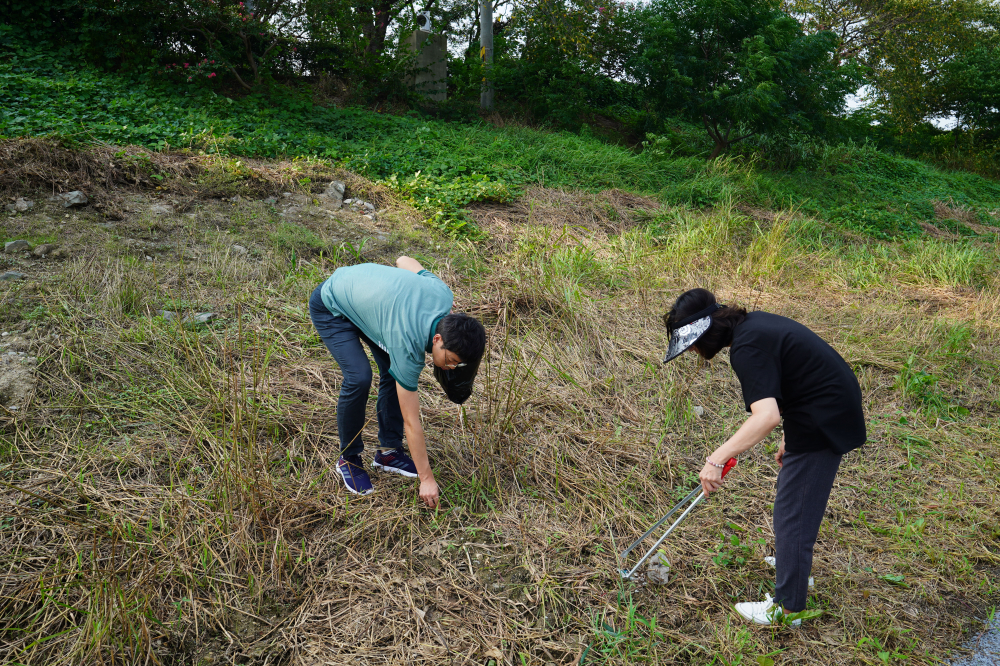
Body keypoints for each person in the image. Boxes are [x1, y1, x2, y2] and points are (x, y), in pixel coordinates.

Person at [662, 288, 866, 626]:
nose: (694, 352)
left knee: (792, 514)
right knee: (795, 506)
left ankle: (788, 609)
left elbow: (765, 416)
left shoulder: (746, 347)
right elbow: (793, 378)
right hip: (823, 406)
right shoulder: (753, 327)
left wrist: (716, 459)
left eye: (693, 345)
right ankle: (794, 570)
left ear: (706, 332)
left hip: (824, 413)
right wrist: (791, 431)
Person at [309, 256, 486, 508]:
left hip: (365, 303)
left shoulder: (442, 294)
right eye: (451, 359)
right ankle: (348, 459)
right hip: (332, 305)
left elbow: (404, 260)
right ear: (437, 339)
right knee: (359, 377)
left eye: (458, 365)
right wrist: (426, 479)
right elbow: (411, 421)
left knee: (392, 373)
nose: (451, 367)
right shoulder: (407, 343)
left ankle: (388, 452)